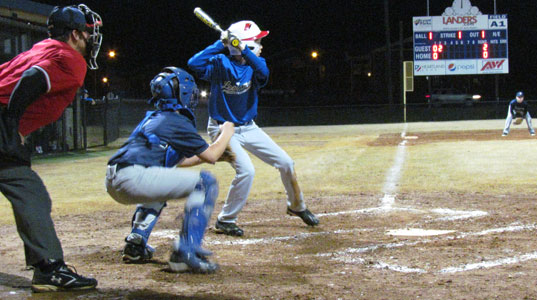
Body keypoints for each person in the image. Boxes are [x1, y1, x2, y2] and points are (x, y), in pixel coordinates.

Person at [0, 4, 102, 292]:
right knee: (28, 190)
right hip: (1, 122)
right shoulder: (69, 58)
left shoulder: (40, 47)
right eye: (85, 33)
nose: (89, 39)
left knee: (27, 191)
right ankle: (49, 268)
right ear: (73, 34)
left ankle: (47, 267)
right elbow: (33, 78)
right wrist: (10, 124)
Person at [188, 20, 319, 237]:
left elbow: (263, 72)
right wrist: (220, 44)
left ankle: (297, 206)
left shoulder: (255, 65)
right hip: (223, 129)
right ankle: (225, 220)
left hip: (248, 127)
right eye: (257, 41)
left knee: (286, 163)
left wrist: (243, 49)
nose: (261, 45)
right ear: (242, 44)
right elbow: (194, 63)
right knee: (247, 171)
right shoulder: (220, 62)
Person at [105, 67, 234, 273]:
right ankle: (185, 251)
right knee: (206, 183)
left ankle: (136, 243)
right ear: (181, 94)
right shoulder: (177, 120)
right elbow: (211, 155)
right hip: (132, 177)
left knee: (160, 178)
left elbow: (174, 162)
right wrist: (226, 132)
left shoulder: (152, 118)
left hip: (115, 177)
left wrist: (214, 155)